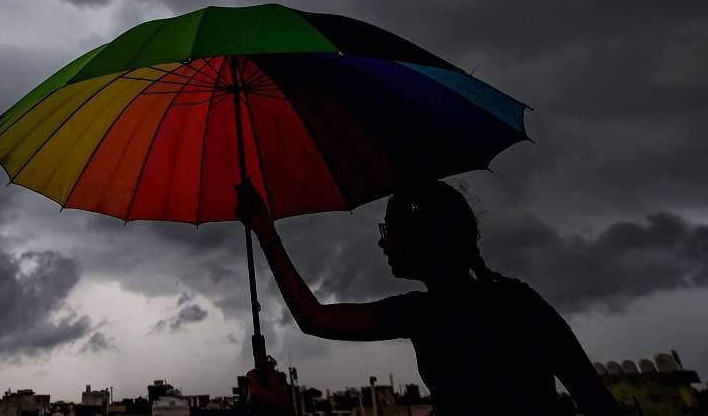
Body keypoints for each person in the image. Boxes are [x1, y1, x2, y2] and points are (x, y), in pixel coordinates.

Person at [236, 178, 623, 416]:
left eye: (392, 231)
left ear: (426, 238)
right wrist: (263, 229)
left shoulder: (426, 313)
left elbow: (314, 319)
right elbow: (596, 400)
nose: (384, 244)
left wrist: (265, 232)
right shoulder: (514, 301)